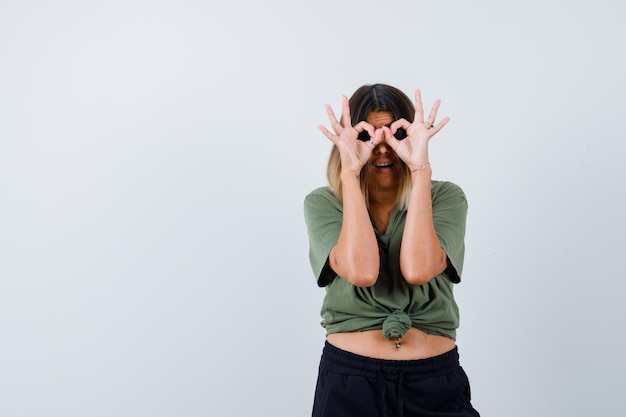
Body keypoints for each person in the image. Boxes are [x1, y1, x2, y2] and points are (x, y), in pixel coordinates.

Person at [303, 83, 480, 417]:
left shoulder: (445, 197)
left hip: (433, 383)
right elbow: (362, 271)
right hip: (351, 383)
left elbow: (419, 269)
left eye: (395, 134)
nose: (382, 148)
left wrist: (419, 169)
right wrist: (351, 174)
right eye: (368, 137)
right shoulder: (324, 203)